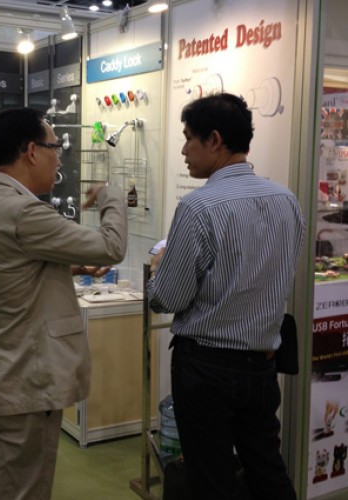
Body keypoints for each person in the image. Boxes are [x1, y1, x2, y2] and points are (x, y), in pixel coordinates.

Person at [0, 107, 128, 500]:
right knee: (24, 490)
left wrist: (67, 267)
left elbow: (6, 271)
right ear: (31, 151)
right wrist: (112, 195)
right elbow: (111, 246)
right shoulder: (23, 211)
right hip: (25, 382)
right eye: (55, 148)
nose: (58, 159)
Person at [147, 93, 304, 500]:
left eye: (188, 138)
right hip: (262, 366)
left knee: (211, 479)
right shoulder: (286, 201)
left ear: (214, 140)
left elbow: (167, 298)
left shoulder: (197, 206)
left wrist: (158, 267)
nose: (184, 150)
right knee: (267, 471)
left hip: (207, 369)